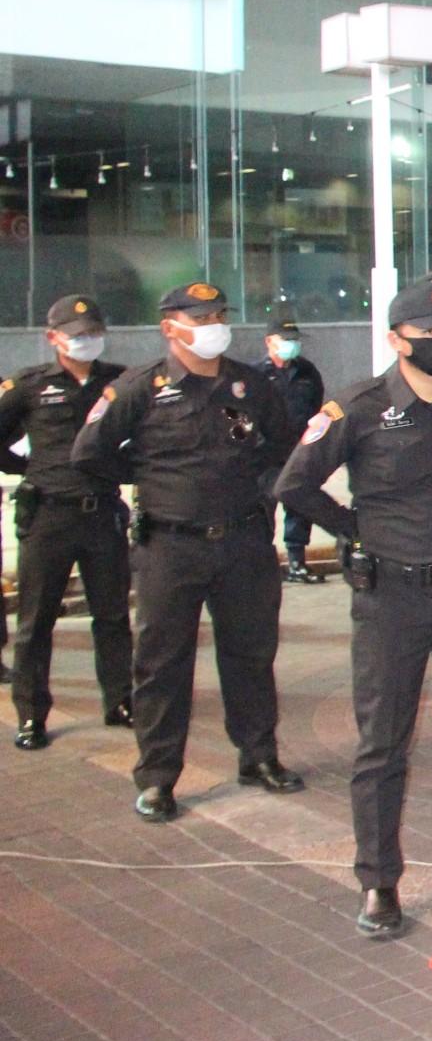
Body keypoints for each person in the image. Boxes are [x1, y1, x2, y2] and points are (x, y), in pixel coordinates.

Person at [274, 282, 432, 940]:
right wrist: (355, 529)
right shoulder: (360, 407)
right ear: (396, 340)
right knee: (383, 743)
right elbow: (294, 482)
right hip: (391, 595)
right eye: (431, 335)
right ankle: (379, 882)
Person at [72, 281, 305, 823]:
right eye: (200, 318)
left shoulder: (250, 385)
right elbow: (89, 454)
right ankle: (157, 777)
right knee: (161, 664)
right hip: (169, 546)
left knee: (251, 656)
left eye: (219, 315)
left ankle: (258, 755)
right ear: (169, 327)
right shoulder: (139, 388)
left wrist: (261, 490)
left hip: (243, 542)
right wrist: (146, 476)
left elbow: (283, 448)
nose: (213, 327)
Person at [2, 295, 133, 750]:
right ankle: (31, 715)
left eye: (93, 333)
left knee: (113, 616)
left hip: (102, 514)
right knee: (36, 622)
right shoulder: (29, 386)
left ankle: (120, 700)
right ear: (53, 338)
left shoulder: (120, 382)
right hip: (48, 516)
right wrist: (28, 469)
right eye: (77, 335)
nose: (86, 341)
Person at [258, 319, 327, 583]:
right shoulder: (256, 375)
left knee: (299, 507)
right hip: (266, 456)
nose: (292, 345)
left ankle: (297, 562)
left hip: (298, 453)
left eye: (295, 340)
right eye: (286, 340)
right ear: (269, 341)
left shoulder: (307, 372)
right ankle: (263, 566)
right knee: (263, 510)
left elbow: (315, 406)